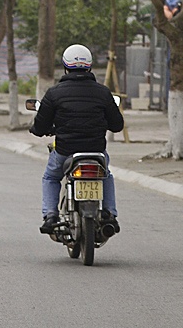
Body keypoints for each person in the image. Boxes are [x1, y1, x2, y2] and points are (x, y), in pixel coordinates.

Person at [30, 44, 124, 234]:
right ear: (89, 66)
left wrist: (38, 129)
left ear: (65, 66)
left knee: (50, 177)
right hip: (96, 151)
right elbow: (117, 125)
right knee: (106, 174)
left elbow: (40, 126)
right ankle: (109, 214)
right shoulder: (103, 93)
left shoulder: (54, 93)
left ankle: (51, 216)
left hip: (65, 151)